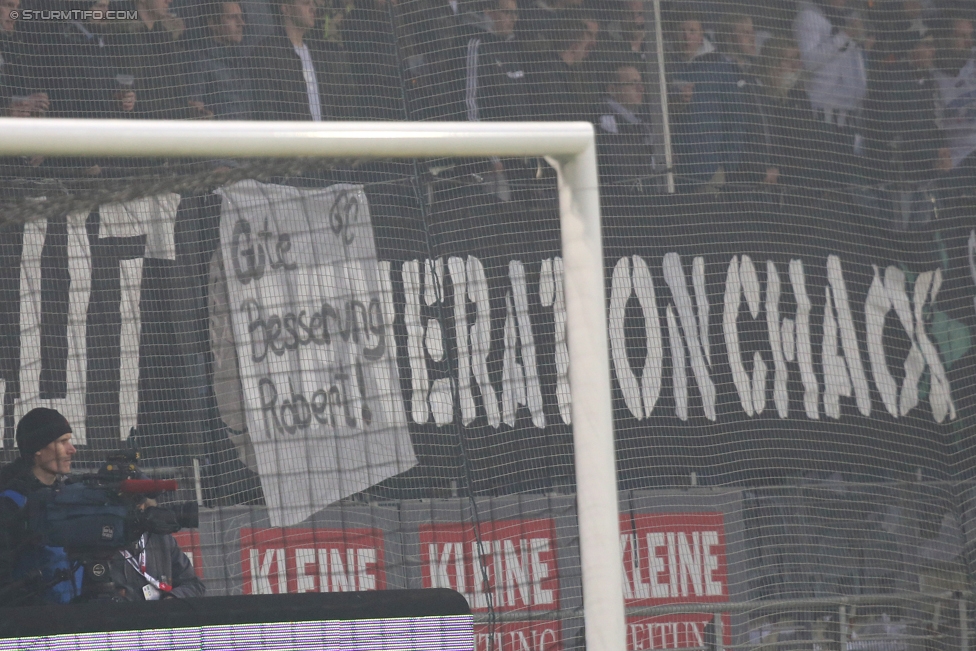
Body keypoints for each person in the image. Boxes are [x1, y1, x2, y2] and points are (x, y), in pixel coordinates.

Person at [0, 408, 82, 606]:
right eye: (63, 442)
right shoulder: (9, 503)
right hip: (31, 622)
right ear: (38, 448)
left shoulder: (69, 496)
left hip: (77, 616)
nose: (72, 450)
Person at [793, 0, 869, 185]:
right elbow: (808, 61)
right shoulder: (808, 17)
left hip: (848, 118)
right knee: (826, 182)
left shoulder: (844, 19)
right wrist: (844, 36)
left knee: (846, 184)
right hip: (822, 118)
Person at [668, 11, 745, 191]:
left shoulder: (719, 67)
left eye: (692, 31)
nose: (687, 36)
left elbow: (735, 118)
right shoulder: (662, 63)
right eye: (681, 30)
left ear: (702, 34)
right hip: (671, 169)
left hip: (709, 169)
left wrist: (726, 165)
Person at [250, 0, 360, 121]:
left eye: (313, 3)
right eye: (306, 3)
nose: (313, 7)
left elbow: (338, 106)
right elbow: (266, 110)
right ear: (286, 9)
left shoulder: (320, 55)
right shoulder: (267, 53)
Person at [108, 498, 205, 601]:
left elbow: (194, 585)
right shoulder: (101, 542)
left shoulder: (163, 539)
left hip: (160, 614)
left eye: (138, 504)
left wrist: (172, 597)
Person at [189, 0, 257, 120]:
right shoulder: (199, 60)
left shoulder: (243, 60)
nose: (241, 23)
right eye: (232, 17)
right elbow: (195, 108)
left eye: (240, 17)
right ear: (213, 24)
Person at [594, 63, 655, 186]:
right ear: (612, 89)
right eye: (633, 83)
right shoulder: (603, 122)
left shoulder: (639, 123)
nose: (641, 89)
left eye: (640, 83)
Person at [933, 13, 976, 188]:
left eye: (970, 36)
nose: (968, 41)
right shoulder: (932, 78)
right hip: (956, 161)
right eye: (961, 36)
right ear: (945, 38)